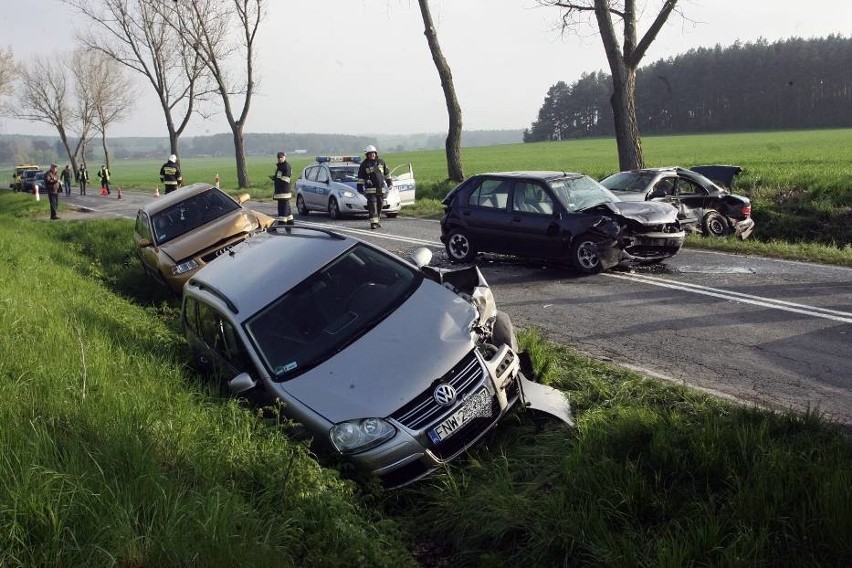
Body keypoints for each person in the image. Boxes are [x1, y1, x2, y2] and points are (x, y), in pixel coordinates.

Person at [356, 144, 392, 229]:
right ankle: (373, 223)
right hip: (371, 189)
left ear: (376, 153)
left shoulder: (381, 162)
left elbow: (387, 174)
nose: (372, 155)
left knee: (380, 204)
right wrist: (360, 187)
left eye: (373, 153)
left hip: (381, 188)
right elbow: (360, 177)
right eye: (370, 153)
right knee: (373, 205)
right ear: (367, 155)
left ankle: (377, 220)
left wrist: (390, 183)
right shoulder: (364, 165)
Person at [271, 151, 293, 225]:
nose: (280, 159)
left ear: (284, 157)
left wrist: (276, 179)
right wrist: (275, 178)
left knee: (283, 207)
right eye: (279, 157)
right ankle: (290, 221)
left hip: (284, 191)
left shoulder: (286, 166)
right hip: (281, 191)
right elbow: (279, 177)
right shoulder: (281, 166)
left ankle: (282, 222)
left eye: (281, 157)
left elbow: (286, 179)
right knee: (286, 206)